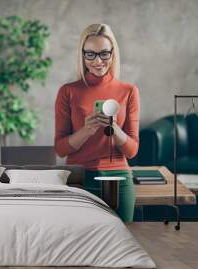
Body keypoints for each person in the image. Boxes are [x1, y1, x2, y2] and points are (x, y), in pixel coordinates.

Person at [54, 23, 139, 222]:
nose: (98, 61)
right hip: (79, 177)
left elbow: (132, 150)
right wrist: (87, 130)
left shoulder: (129, 91)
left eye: (104, 54)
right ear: (82, 55)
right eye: (90, 54)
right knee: (79, 244)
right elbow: (60, 149)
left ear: (113, 54)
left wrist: (115, 130)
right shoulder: (68, 91)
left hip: (119, 178)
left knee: (123, 242)